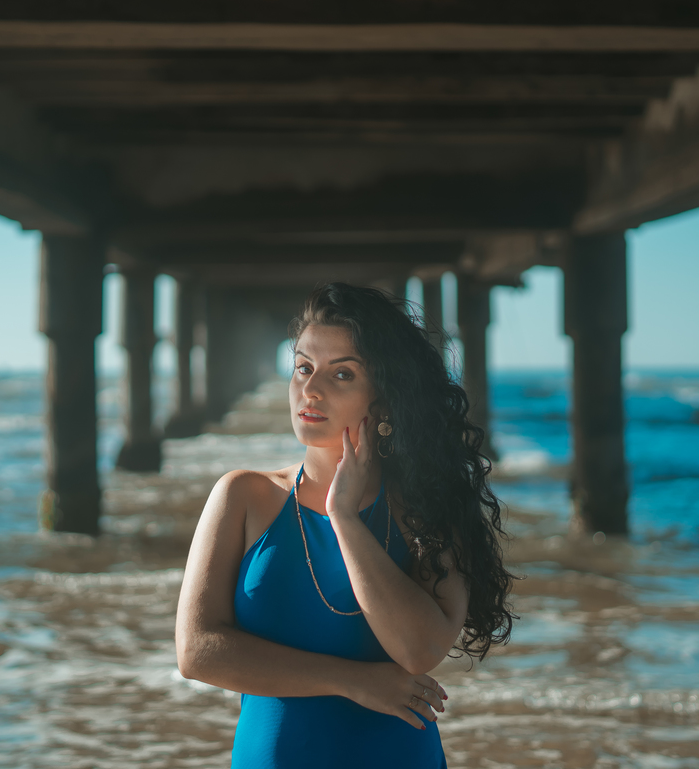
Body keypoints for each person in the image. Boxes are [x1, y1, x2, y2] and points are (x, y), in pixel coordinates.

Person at [175, 282, 515, 768]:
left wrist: (345, 518)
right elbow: (197, 652)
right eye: (303, 368)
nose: (310, 390)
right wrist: (353, 680)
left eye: (341, 375)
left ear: (384, 401)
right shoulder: (243, 497)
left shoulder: (427, 507)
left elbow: (419, 649)